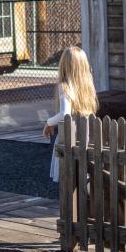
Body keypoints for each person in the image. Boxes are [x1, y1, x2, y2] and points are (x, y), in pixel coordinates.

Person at [42, 46, 99, 183]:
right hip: (85, 135)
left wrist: (49, 123)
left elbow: (65, 114)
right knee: (82, 174)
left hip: (70, 137)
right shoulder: (87, 86)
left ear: (64, 65)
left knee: (68, 177)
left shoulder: (65, 86)